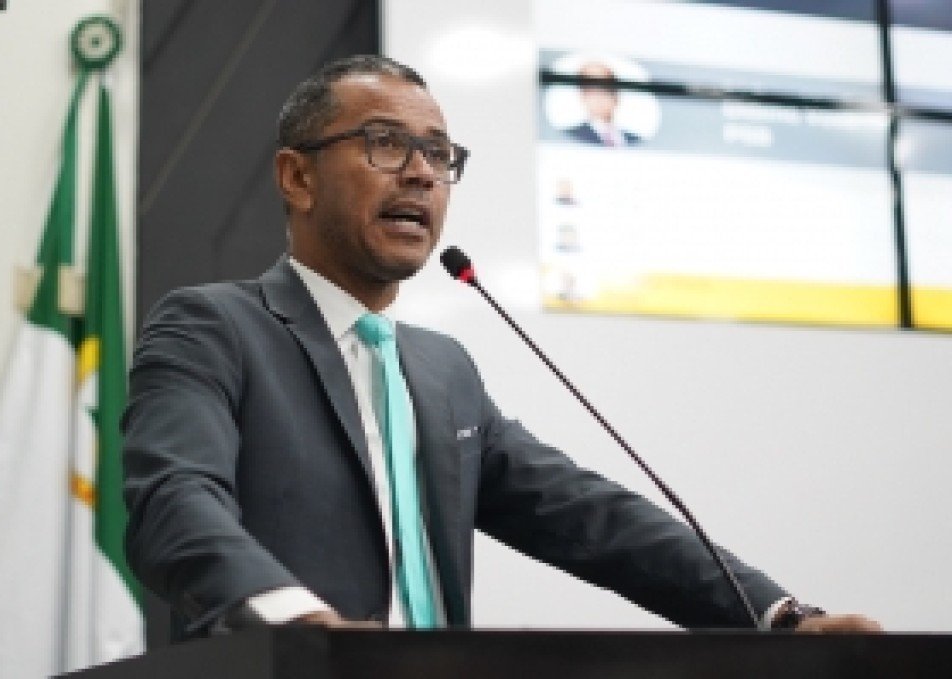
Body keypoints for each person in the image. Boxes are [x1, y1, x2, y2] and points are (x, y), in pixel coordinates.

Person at [122, 55, 879, 637]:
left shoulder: (441, 370)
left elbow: (592, 517)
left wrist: (778, 615)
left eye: (438, 154)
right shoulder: (214, 329)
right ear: (297, 177)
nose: (421, 173)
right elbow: (173, 502)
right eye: (385, 144)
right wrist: (297, 622)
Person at [564, 61, 641, 147]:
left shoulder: (634, 140)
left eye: (606, 87)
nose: (600, 95)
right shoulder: (570, 137)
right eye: (592, 89)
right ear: (583, 96)